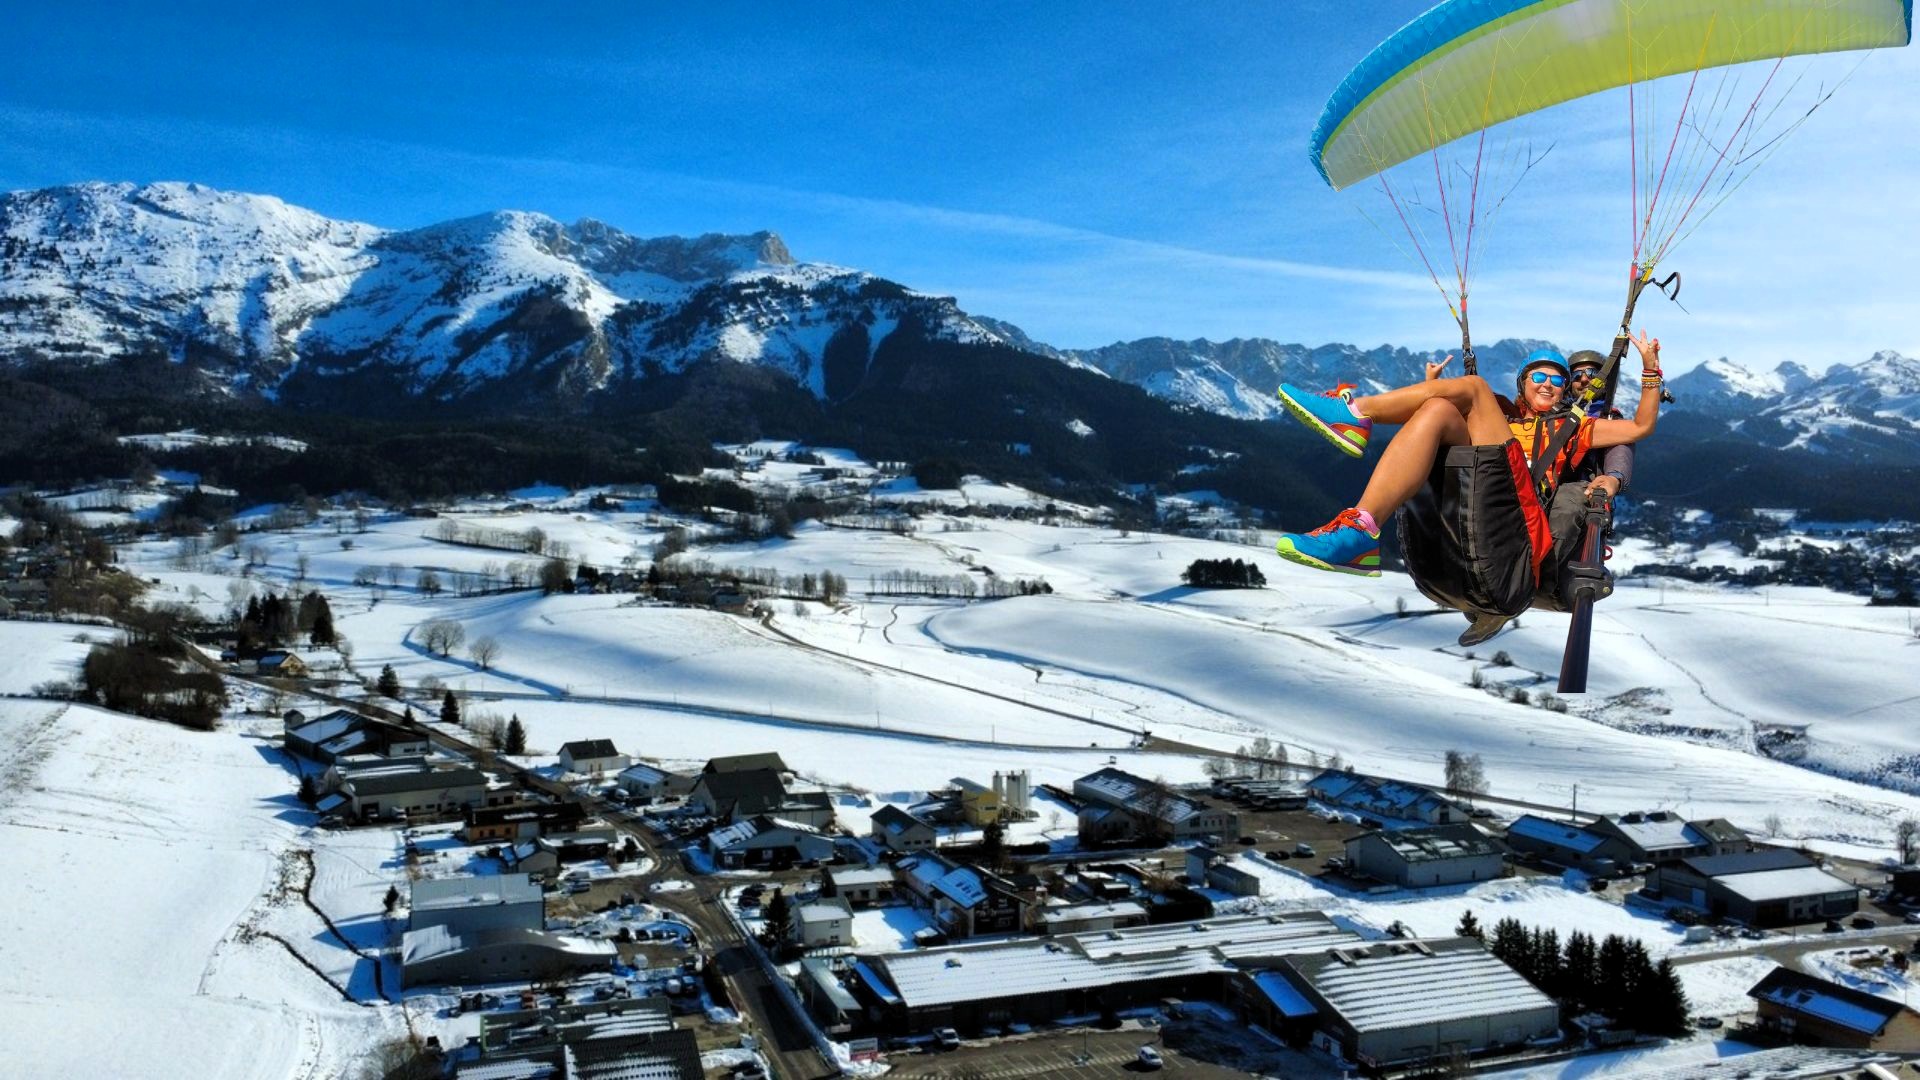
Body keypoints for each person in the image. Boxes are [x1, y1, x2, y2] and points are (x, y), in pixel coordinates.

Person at [1270, 334, 1666, 640]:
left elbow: (1640, 428)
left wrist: (1650, 370)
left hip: (1521, 515)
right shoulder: (1503, 415)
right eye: (1539, 377)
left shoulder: (1574, 427)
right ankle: (1361, 528)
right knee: (1440, 409)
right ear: (1522, 383)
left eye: (1558, 380)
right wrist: (1430, 392)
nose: (1549, 385)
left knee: (1474, 388)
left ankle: (1355, 413)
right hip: (1483, 497)